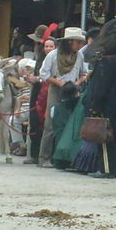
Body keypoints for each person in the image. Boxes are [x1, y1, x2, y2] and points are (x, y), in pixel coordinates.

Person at [38, 27, 87, 168]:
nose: (79, 46)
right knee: (50, 124)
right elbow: (44, 73)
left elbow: (84, 73)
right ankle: (44, 157)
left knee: (71, 124)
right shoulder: (53, 55)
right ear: (70, 42)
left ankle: (66, 157)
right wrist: (60, 83)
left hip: (73, 91)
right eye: (77, 42)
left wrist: (76, 83)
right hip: (56, 90)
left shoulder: (80, 56)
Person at [24, 26, 58, 164]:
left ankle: (43, 155)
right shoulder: (39, 56)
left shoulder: (53, 58)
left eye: (50, 46)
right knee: (34, 121)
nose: (47, 48)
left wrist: (37, 78)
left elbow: (48, 75)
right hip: (38, 90)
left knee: (44, 122)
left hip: (47, 91)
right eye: (46, 46)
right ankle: (34, 154)